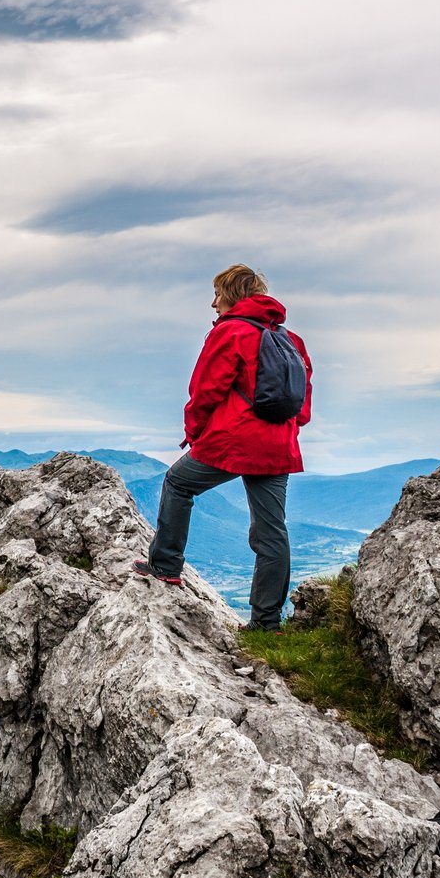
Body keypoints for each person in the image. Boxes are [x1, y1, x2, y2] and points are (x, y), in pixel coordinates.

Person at [132, 263, 312, 630]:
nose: (212, 304)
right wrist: (290, 428)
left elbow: (204, 390)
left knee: (179, 483)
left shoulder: (229, 333)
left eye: (217, 294)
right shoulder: (291, 339)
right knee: (271, 531)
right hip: (278, 444)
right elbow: (303, 395)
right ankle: (266, 623)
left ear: (231, 296)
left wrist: (194, 432)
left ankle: (165, 566)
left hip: (233, 439)